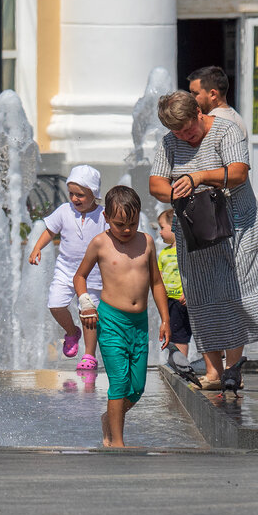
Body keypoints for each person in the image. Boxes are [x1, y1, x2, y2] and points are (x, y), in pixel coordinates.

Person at [148, 89, 258, 390]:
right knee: (199, 296)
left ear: (199, 112)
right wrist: (173, 192)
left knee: (235, 292)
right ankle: (213, 371)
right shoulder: (170, 142)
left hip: (236, 226)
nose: (185, 137)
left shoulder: (226, 131)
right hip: (195, 228)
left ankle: (233, 368)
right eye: (177, 132)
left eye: (188, 129)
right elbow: (155, 182)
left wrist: (198, 177)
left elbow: (238, 173)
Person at [74, 186, 170, 447]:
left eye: (132, 223)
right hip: (112, 321)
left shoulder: (146, 242)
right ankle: (117, 442)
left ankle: (110, 418)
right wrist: (86, 303)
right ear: (106, 217)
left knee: (136, 388)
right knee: (119, 382)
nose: (127, 230)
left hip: (139, 324)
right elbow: (79, 276)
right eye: (119, 224)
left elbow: (157, 283)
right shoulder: (100, 243)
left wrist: (165, 319)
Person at [27, 164, 107, 375]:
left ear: (94, 194)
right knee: (55, 304)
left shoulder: (104, 216)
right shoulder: (64, 211)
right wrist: (37, 247)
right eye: (71, 193)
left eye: (80, 195)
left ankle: (89, 354)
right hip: (66, 269)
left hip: (93, 273)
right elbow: (50, 230)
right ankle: (71, 331)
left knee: (88, 313)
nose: (74, 199)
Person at [156, 208, 191, 359]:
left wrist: (189, 292)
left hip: (185, 299)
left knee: (199, 330)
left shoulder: (187, 251)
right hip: (171, 301)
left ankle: (216, 357)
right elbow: (159, 277)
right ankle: (179, 363)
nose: (159, 232)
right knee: (177, 334)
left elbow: (193, 274)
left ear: (175, 227)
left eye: (162, 227)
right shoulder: (163, 253)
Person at [188, 65, 247, 142]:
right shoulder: (235, 117)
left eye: (195, 93)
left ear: (213, 94)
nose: (191, 98)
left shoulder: (216, 123)